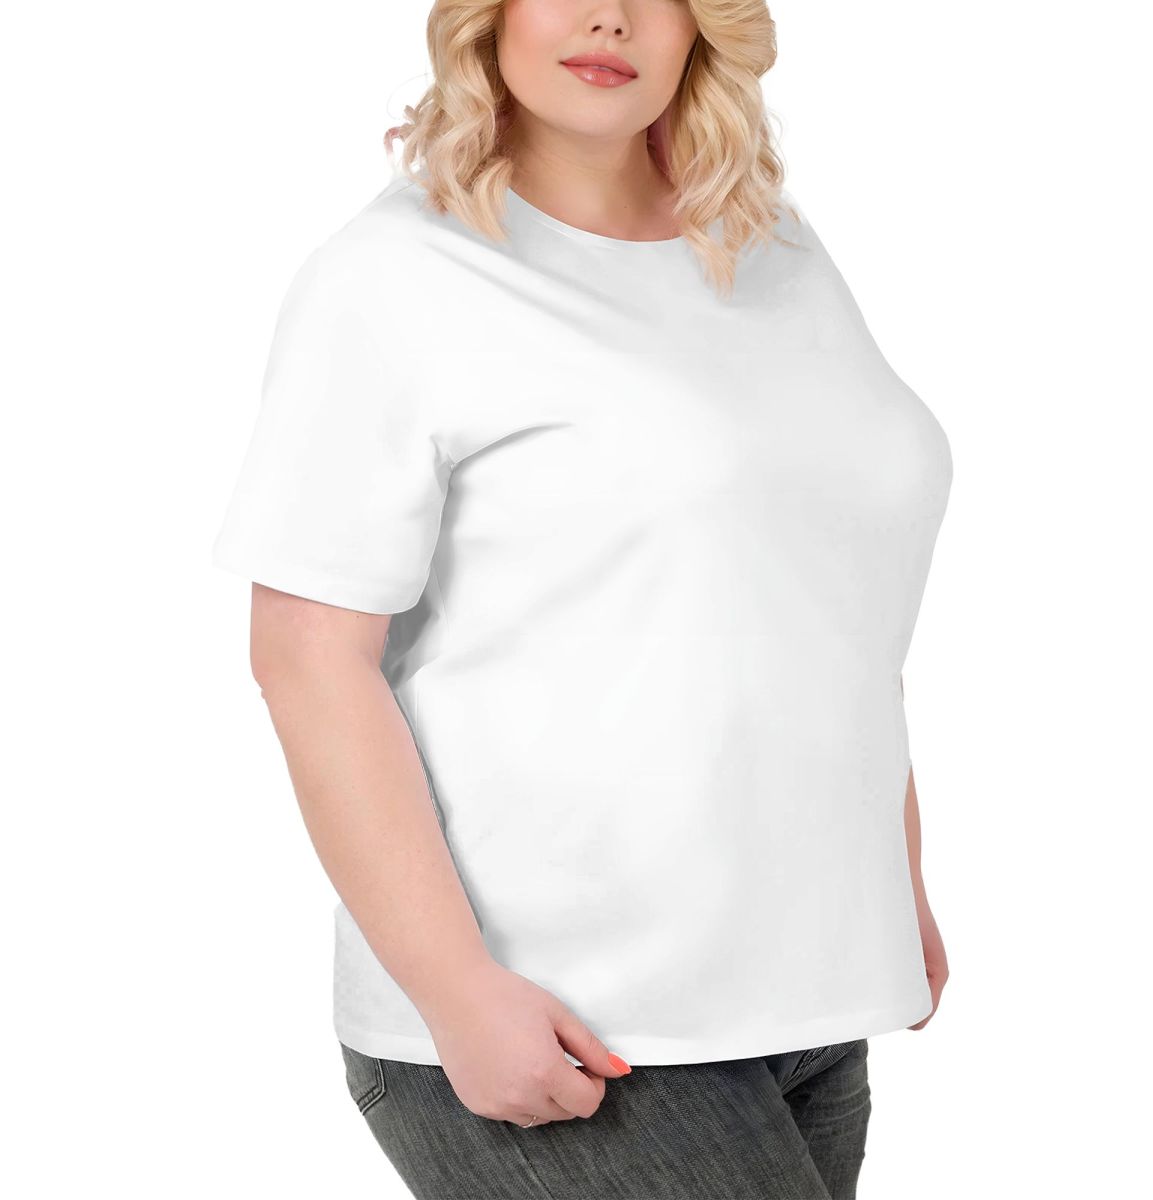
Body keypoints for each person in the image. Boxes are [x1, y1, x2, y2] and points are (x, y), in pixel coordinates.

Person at [211, 1, 952, 1196]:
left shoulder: (770, 247)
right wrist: (456, 991)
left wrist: (889, 885)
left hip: (806, 1000)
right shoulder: (397, 275)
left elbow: (825, 601)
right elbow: (306, 656)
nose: (611, 15)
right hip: (567, 1021)